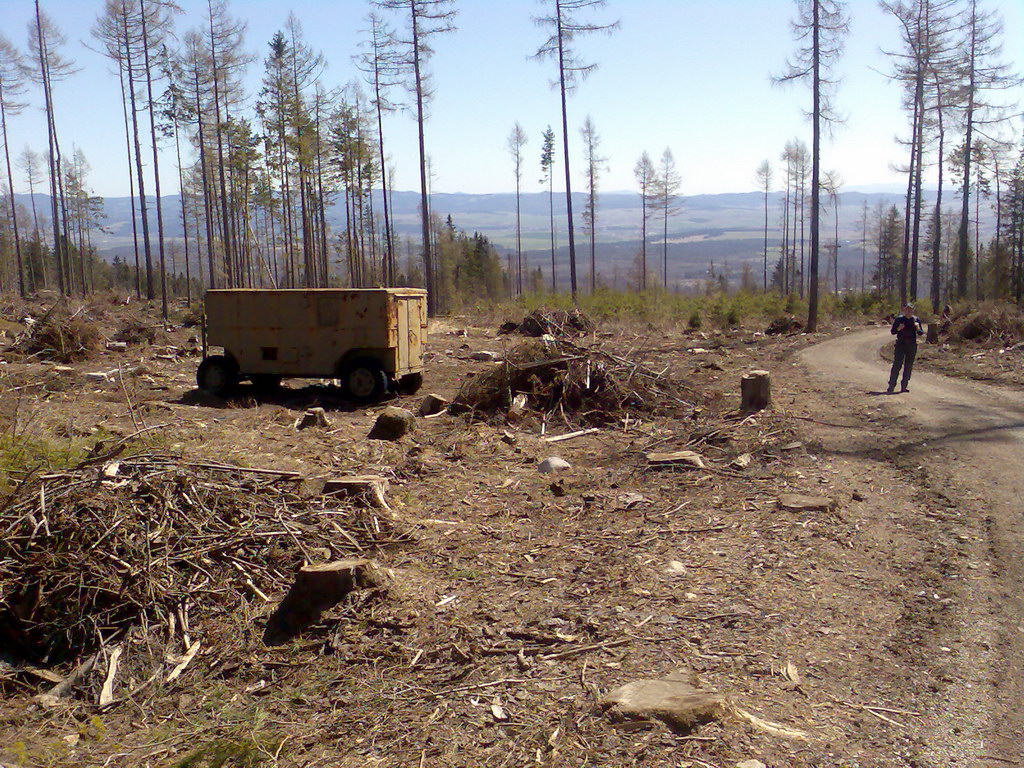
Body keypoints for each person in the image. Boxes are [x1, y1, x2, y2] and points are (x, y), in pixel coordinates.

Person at [887, 303, 924, 393]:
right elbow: (893, 332)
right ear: (904, 310)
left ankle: (904, 386)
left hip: (911, 346)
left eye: (911, 310)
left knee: (908, 366)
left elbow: (921, 333)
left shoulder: (916, 320)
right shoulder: (899, 319)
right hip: (900, 345)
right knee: (897, 365)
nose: (909, 311)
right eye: (907, 309)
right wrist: (898, 328)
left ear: (913, 311)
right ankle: (891, 386)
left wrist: (918, 328)